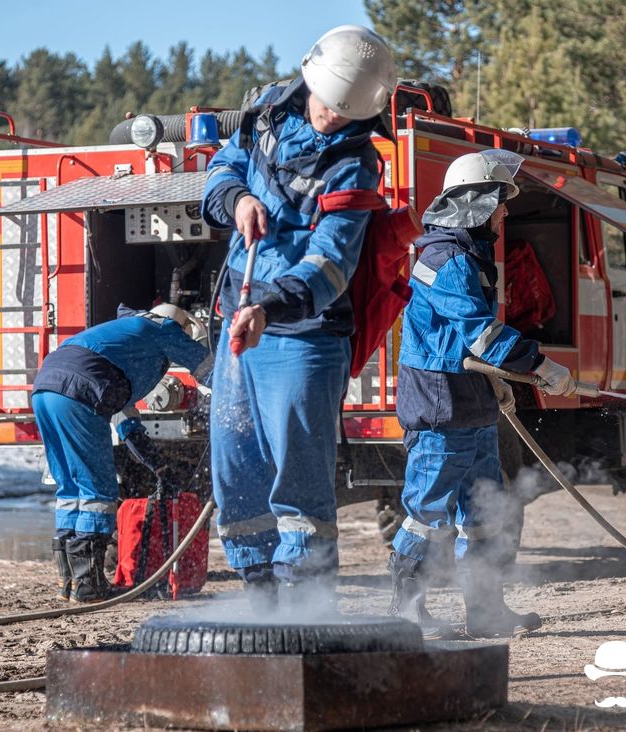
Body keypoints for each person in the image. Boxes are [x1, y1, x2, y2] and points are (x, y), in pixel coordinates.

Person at [201, 25, 396, 609]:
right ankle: (258, 595)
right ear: (310, 81)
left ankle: (308, 604)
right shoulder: (264, 116)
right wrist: (238, 200)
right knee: (235, 463)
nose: (334, 118)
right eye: (330, 105)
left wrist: (271, 306)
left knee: (298, 474)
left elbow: (331, 264)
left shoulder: (357, 165)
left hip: (303, 332)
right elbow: (219, 169)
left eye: (347, 111)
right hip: (240, 313)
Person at [388, 150, 577, 638]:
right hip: (439, 406)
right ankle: (408, 611)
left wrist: (501, 385)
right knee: (428, 514)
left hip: (469, 403)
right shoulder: (445, 260)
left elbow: (471, 345)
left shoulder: (467, 256)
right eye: (500, 202)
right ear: (476, 202)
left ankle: (486, 610)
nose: (506, 212)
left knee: (486, 512)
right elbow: (482, 338)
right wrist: (542, 366)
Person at [32, 304, 212, 603]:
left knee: (70, 488)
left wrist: (155, 463)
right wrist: (238, 393)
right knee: (97, 489)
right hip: (81, 393)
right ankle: (89, 586)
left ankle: (69, 581)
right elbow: (207, 368)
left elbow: (124, 418)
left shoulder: (122, 339)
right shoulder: (162, 330)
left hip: (45, 388)